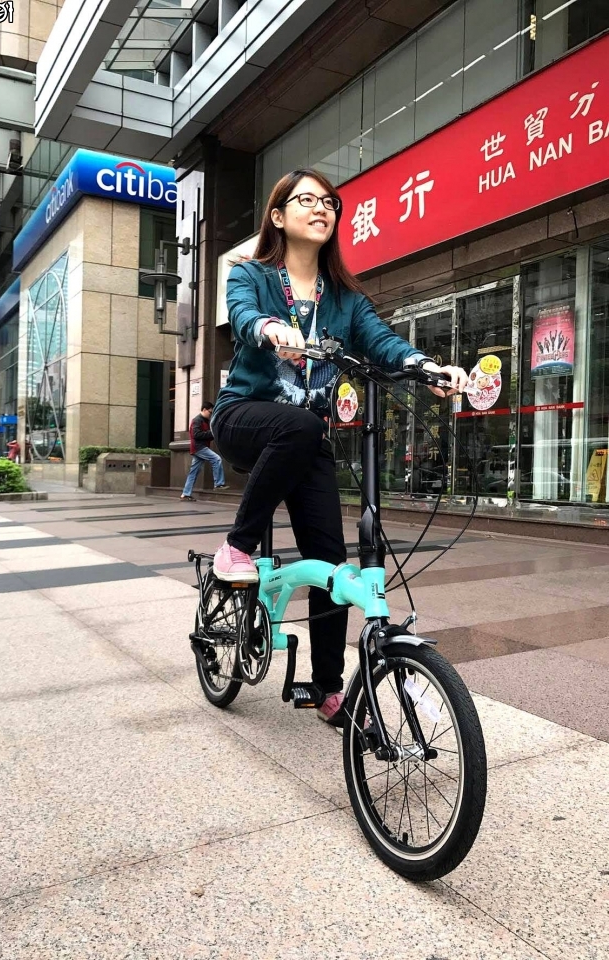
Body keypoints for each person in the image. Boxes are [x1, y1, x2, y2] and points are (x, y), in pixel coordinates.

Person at [210, 169, 468, 726]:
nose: (321, 208)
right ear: (278, 215)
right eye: (307, 200)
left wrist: (425, 366)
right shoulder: (250, 274)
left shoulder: (345, 299)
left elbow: (381, 340)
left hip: (304, 440)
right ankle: (236, 546)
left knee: (330, 564)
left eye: (329, 202)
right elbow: (243, 316)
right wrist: (270, 328)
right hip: (243, 417)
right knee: (302, 426)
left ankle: (328, 690)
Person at [181, 401, 229, 501]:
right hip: (199, 448)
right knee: (217, 459)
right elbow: (196, 435)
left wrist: (212, 434)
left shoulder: (205, 421)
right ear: (204, 410)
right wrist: (212, 433)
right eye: (210, 412)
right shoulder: (197, 420)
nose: (211, 414)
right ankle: (218, 484)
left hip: (200, 448)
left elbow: (205, 435)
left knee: (194, 472)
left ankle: (185, 494)